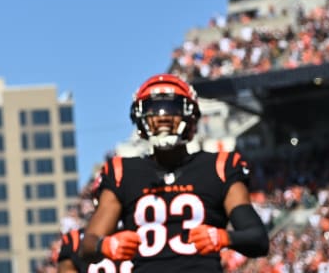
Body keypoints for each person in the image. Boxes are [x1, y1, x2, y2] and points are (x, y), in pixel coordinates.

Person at [81, 74, 269, 271]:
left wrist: (224, 237)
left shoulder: (219, 167)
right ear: (141, 119)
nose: (162, 116)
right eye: (153, 110)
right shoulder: (121, 172)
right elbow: (87, 245)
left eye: (172, 109)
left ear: (190, 116)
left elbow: (258, 239)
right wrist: (105, 245)